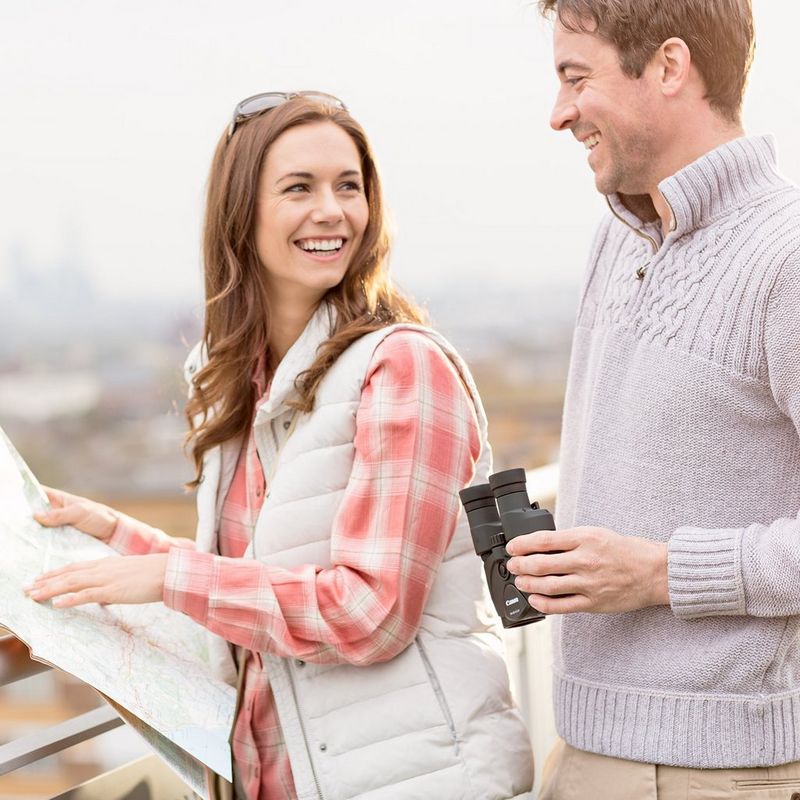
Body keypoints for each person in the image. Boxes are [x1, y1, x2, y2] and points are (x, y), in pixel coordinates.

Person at [27, 93, 535, 800]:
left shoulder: (403, 368)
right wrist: (115, 538)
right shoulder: (243, 383)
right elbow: (252, 580)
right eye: (299, 187)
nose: (332, 210)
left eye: (348, 186)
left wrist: (169, 578)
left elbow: (371, 613)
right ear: (242, 214)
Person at [504, 2, 800, 798]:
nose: (559, 112)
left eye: (576, 78)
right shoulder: (617, 237)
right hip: (583, 752)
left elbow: (652, 566)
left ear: (670, 67)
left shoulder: (788, 258)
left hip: (728, 772)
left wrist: (663, 574)